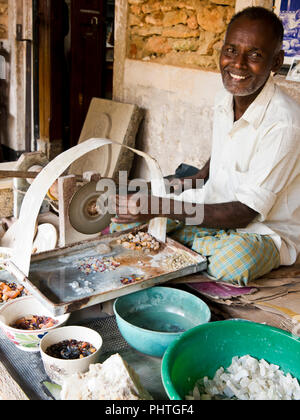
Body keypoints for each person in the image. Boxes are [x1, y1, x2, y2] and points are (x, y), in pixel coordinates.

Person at [110, 7, 300, 286]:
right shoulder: (225, 96)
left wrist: (160, 207)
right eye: (231, 50)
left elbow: (245, 212)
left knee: (233, 264)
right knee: (121, 221)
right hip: (213, 205)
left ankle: (189, 244)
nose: (238, 64)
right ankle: (195, 246)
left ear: (276, 62)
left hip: (263, 229)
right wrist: (198, 177)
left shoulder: (284, 124)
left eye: (255, 55)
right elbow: (228, 143)